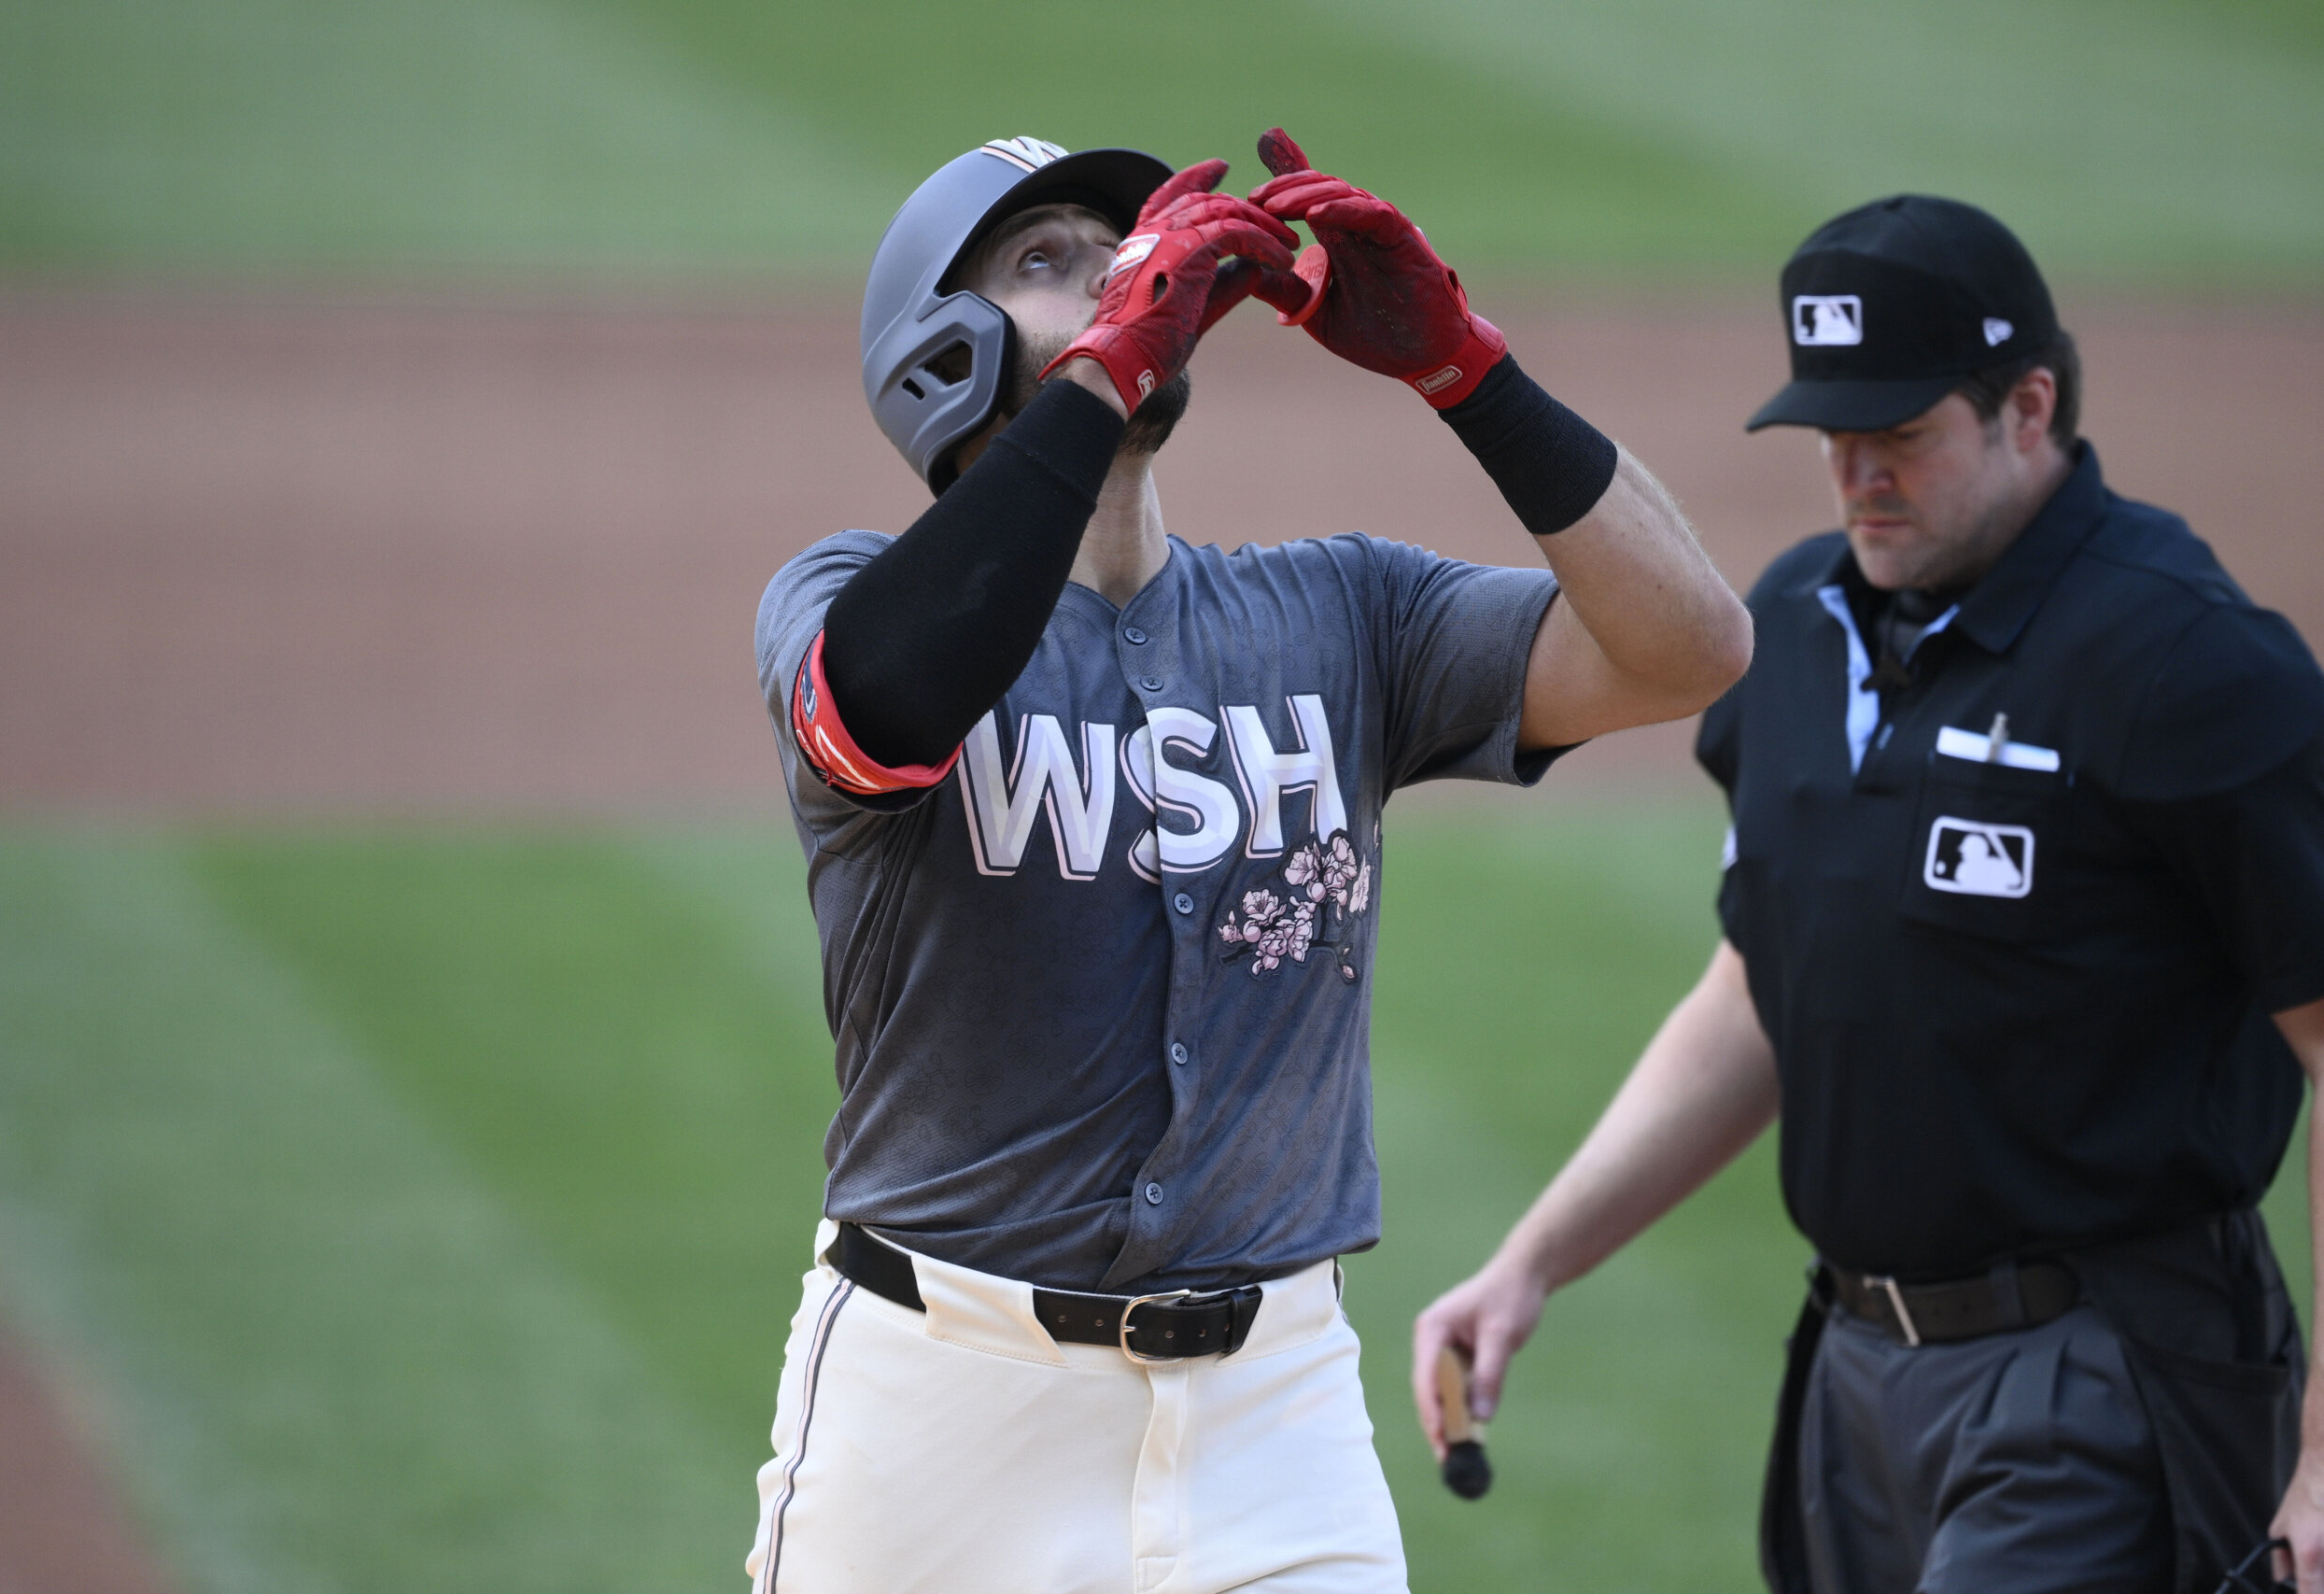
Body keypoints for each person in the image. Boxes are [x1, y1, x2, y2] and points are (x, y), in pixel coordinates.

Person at [746, 130, 1750, 1593]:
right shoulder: (836, 602)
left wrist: (1463, 367)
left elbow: (1689, 650)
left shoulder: (1344, 612)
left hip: (1275, 1413)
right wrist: (1102, 368)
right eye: (1048, 264)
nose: (1121, 273)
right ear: (939, 355)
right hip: (938, 1411)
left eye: (1126, 247)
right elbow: (885, 709)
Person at [1413, 193, 2324, 1594]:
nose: (1857, 475)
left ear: (2030, 406)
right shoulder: (1792, 630)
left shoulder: (2185, 668)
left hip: (2104, 1369)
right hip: (1855, 1375)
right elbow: (1763, 988)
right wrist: (1536, 1258)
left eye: (1900, 433)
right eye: (1834, 435)